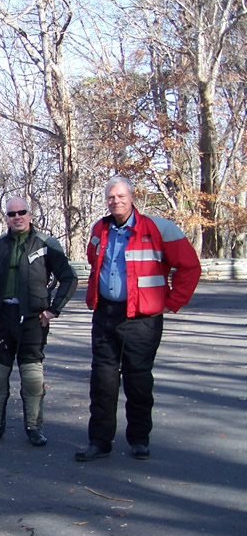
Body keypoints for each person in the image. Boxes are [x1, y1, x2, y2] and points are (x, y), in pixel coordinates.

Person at [75, 176, 201, 461]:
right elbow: (96, 262)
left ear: (132, 197)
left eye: (121, 196)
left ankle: (139, 439)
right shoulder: (100, 228)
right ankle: (99, 442)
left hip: (143, 318)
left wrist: (172, 302)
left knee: (138, 380)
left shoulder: (159, 228)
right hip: (106, 314)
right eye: (111, 197)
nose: (116, 201)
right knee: (102, 381)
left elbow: (190, 266)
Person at [0, 196, 77, 446]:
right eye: (11, 214)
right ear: (6, 217)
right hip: (1, 317)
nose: (17, 217)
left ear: (30, 214)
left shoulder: (46, 244)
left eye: (21, 212)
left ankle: (34, 427)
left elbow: (69, 278)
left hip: (33, 319)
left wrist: (54, 309)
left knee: (31, 376)